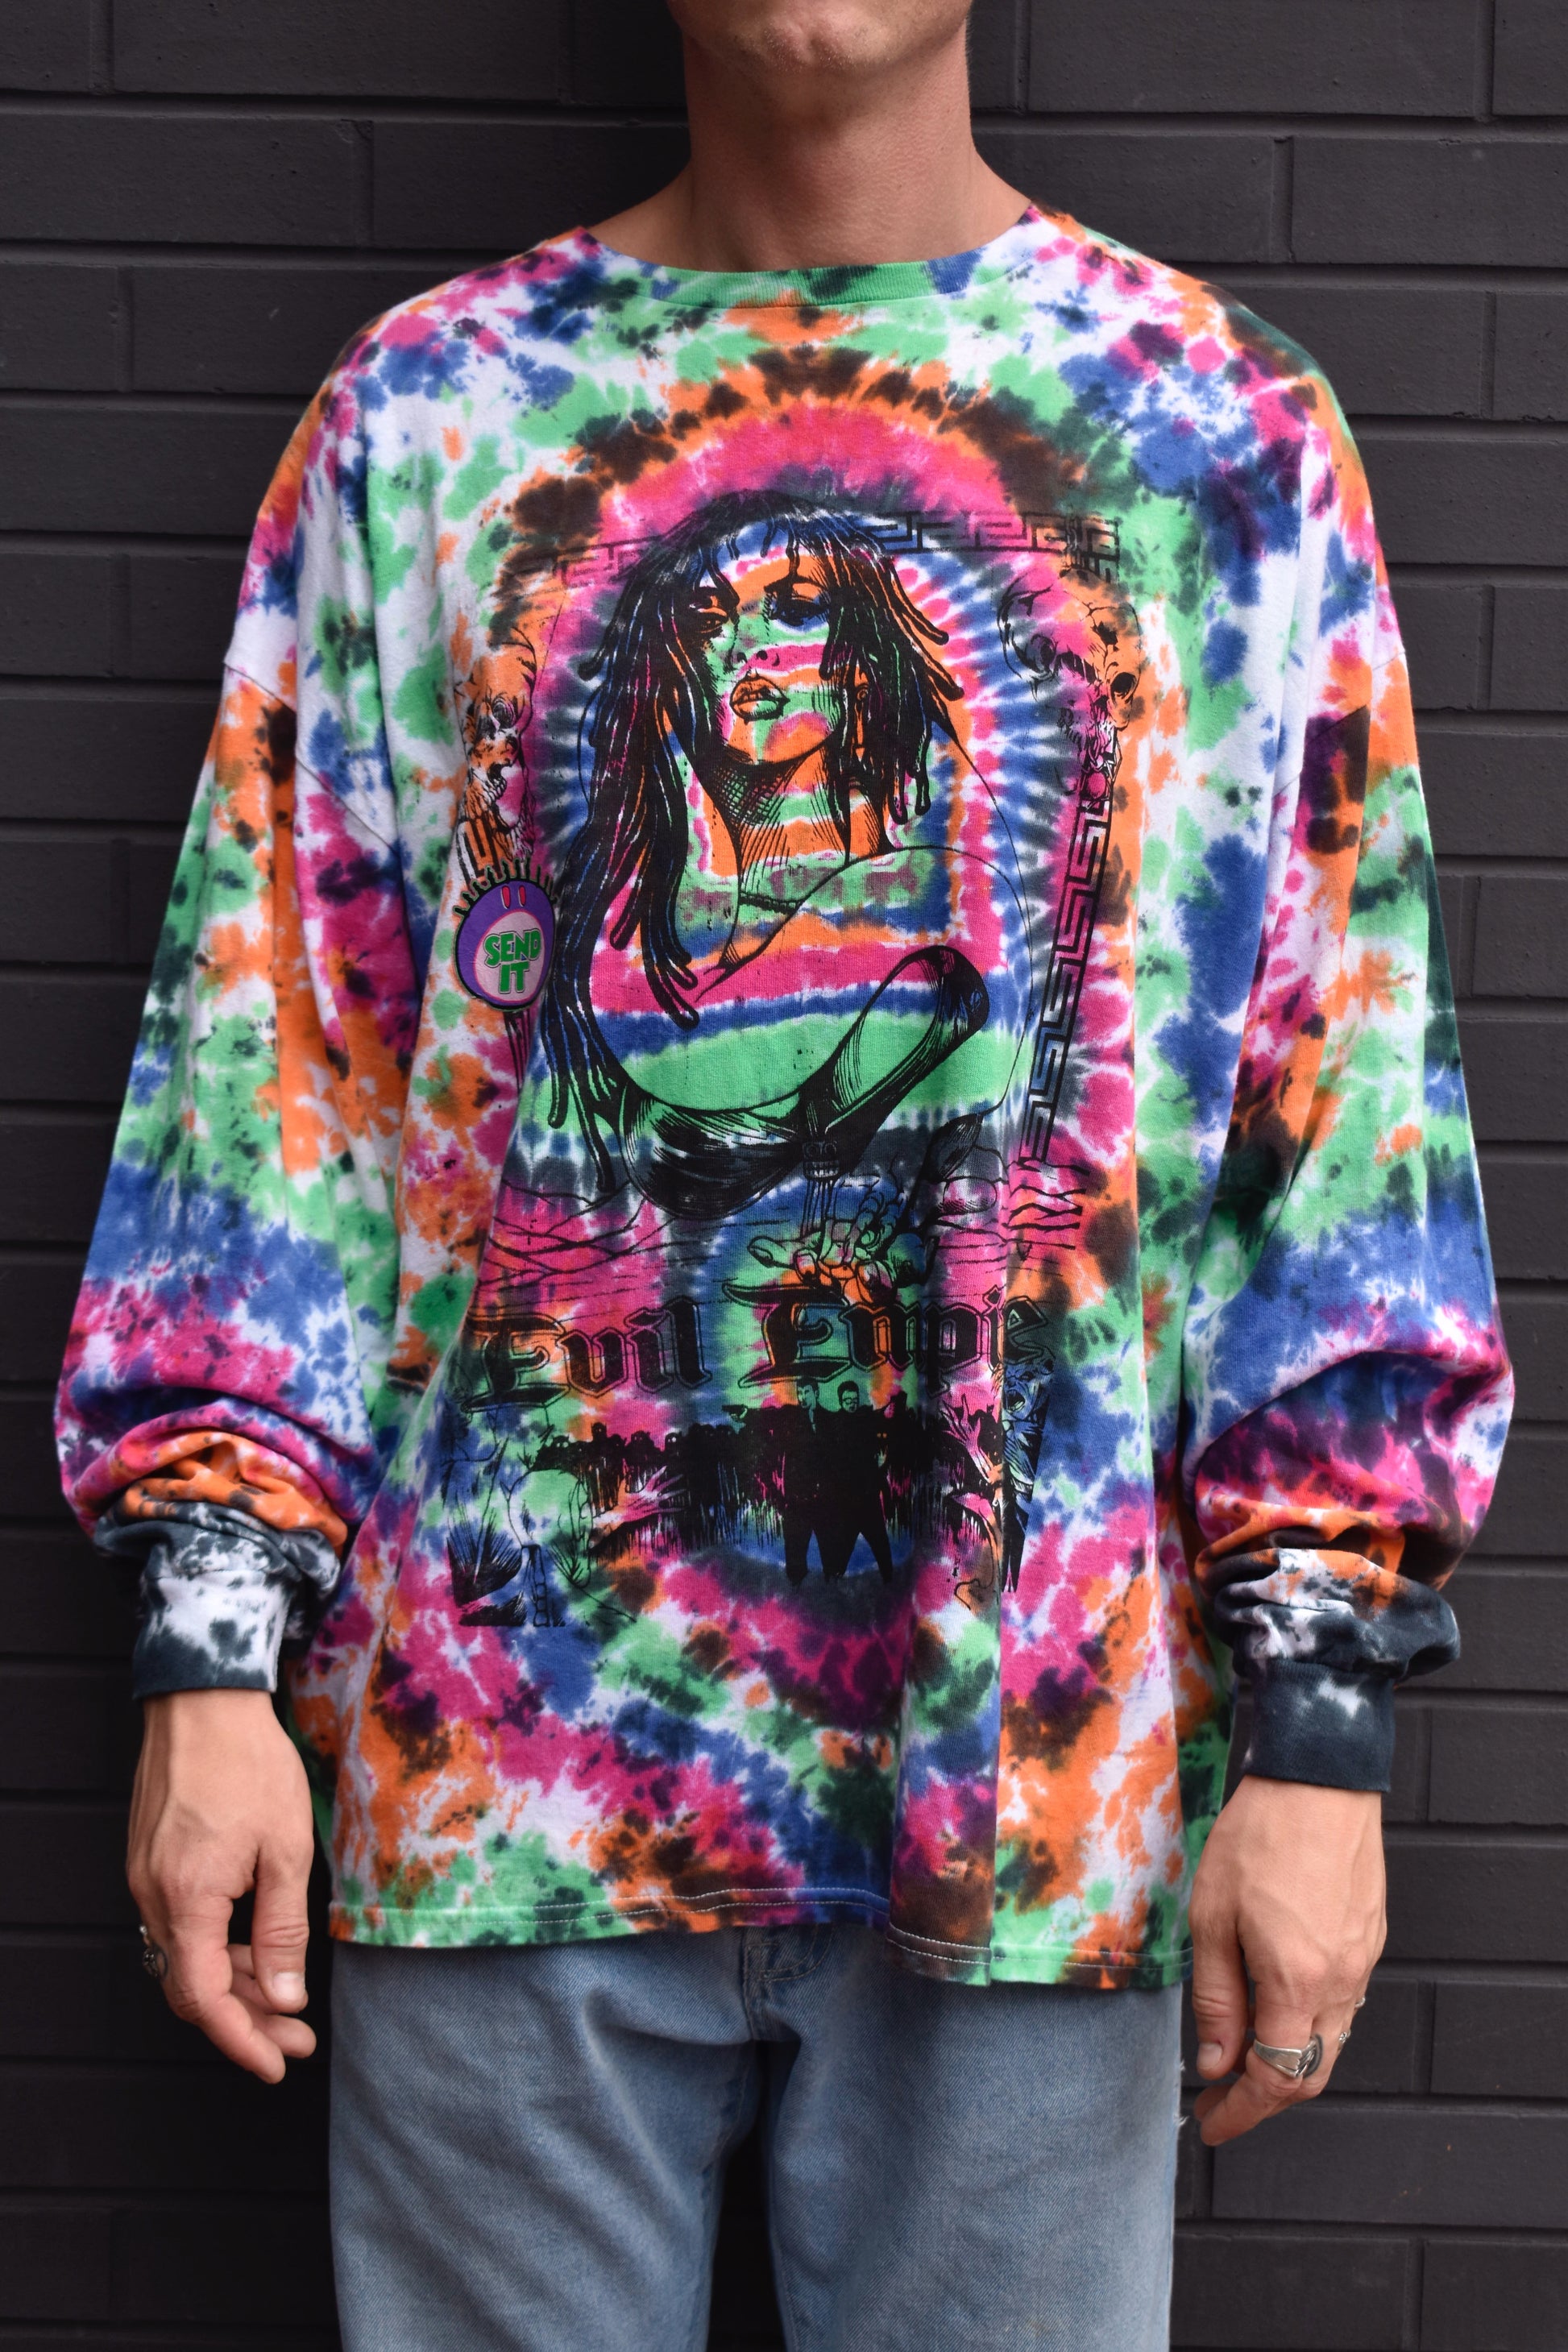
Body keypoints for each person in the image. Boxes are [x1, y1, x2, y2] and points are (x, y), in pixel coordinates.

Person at [56, 3, 1512, 2347]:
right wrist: (210, 1657)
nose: (776, 679)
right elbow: (273, 1071)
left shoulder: (1221, 429)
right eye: (731, 650)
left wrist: (1321, 1719)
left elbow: (1331, 1108)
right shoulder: (423, 419)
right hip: (497, 1782)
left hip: (1036, 1793)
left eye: (827, 652)